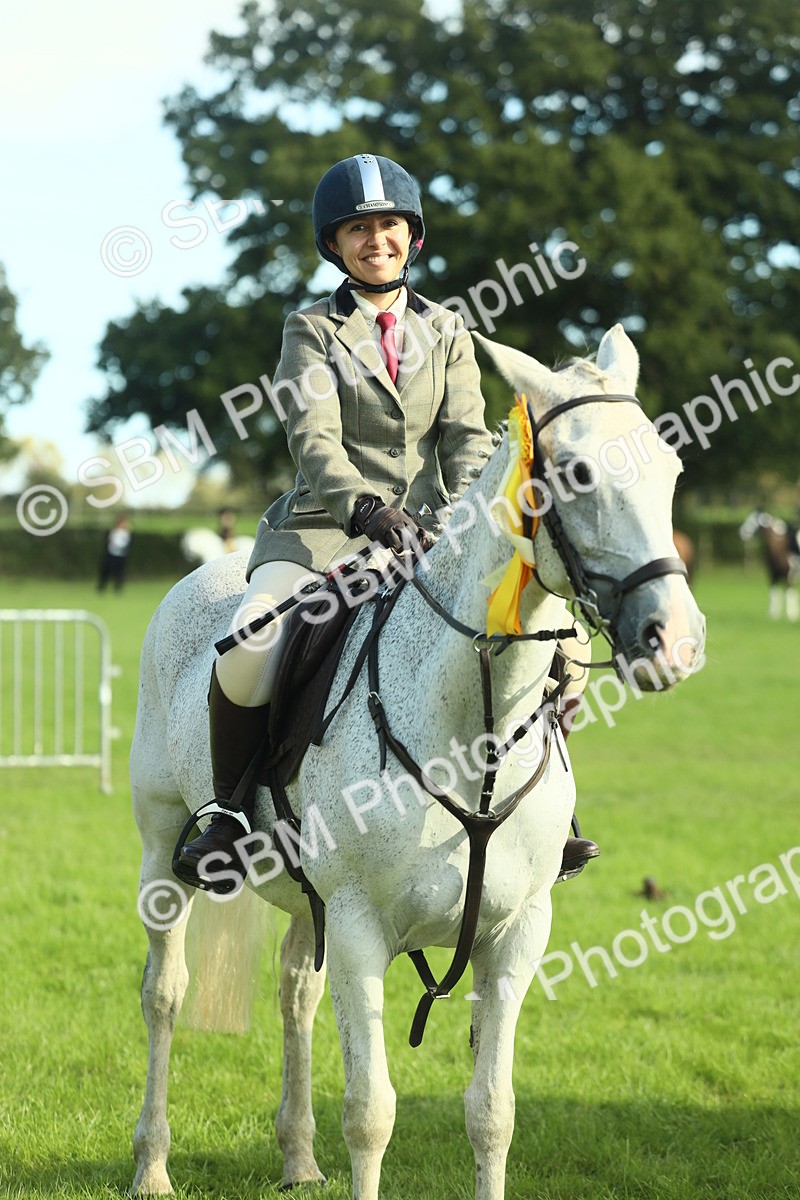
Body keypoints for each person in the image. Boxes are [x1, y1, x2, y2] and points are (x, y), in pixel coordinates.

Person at [175, 153, 598, 891]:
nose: (378, 240)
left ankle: (549, 817)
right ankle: (230, 813)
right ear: (334, 244)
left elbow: (469, 438)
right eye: (359, 229)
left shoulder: (449, 329)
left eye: (391, 226)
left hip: (433, 532)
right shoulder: (310, 330)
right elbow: (314, 438)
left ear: (413, 237)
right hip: (324, 528)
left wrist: (463, 516)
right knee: (252, 641)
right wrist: (366, 508)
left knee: (552, 639)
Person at [97, 514, 131, 592]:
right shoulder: (114, 531)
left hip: (121, 555)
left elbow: (125, 543)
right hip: (112, 554)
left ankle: (117, 588)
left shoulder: (126, 533)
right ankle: (102, 586)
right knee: (106, 570)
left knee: (119, 572)